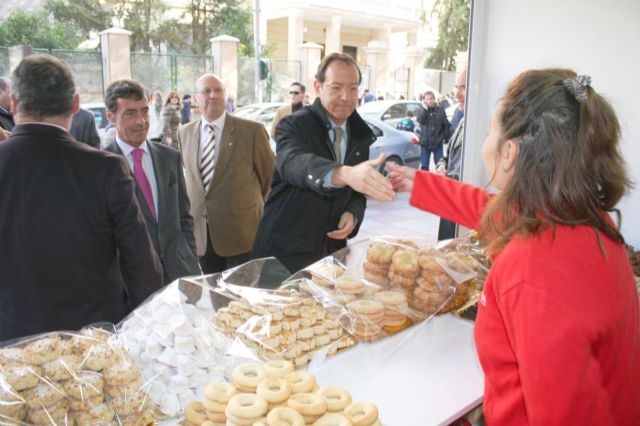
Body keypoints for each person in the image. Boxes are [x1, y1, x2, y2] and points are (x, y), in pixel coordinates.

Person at [388, 69, 640, 425]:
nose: (486, 141)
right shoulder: (579, 220)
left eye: (491, 128)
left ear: (509, 152)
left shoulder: (533, 270)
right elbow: (492, 211)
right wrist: (421, 184)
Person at [0, 55, 164, 340]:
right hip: (92, 340)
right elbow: (140, 262)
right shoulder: (105, 168)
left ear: (14, 104)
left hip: (12, 340)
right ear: (75, 104)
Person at [252, 53, 395, 273]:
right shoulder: (293, 125)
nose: (345, 97)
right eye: (336, 87)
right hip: (283, 254)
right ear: (317, 87)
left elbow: (357, 193)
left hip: (332, 254)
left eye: (353, 88)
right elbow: (292, 162)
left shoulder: (360, 135)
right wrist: (341, 173)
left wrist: (353, 214)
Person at [104, 79, 201, 284]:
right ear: (111, 117)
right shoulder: (102, 168)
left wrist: (189, 258)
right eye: (130, 113)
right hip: (131, 284)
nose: (141, 121)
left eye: (145, 111)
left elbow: (184, 217)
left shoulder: (170, 157)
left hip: (179, 275)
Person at [177, 74, 275, 274]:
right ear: (195, 99)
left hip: (242, 234)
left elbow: (270, 180)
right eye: (206, 91)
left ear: (225, 95)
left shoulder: (251, 131)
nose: (213, 95)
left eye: (218, 90)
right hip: (203, 237)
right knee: (214, 299)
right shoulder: (184, 132)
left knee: (242, 296)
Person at [436, 69, 467, 240]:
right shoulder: (463, 120)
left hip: (461, 206)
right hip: (449, 203)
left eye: (464, 88)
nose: (458, 94)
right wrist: (441, 168)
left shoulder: (480, 127)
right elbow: (446, 158)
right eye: (457, 87)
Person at [415, 90, 451, 171]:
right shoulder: (421, 109)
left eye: (431, 98)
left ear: (434, 99)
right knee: (424, 166)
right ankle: (424, 183)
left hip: (437, 143)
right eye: (427, 99)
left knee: (441, 166)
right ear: (424, 100)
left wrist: (446, 137)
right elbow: (420, 119)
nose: (429, 101)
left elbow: (446, 124)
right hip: (425, 143)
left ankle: (439, 182)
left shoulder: (440, 110)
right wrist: (425, 109)